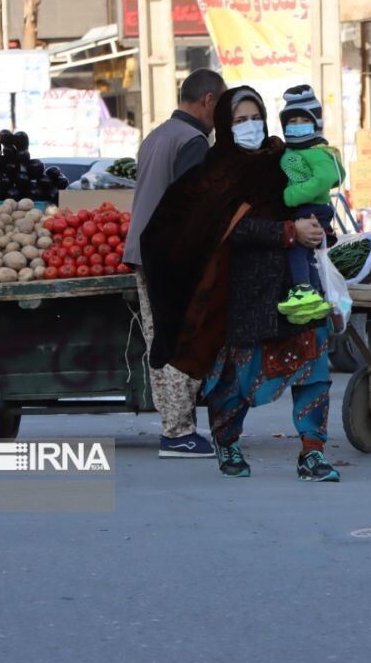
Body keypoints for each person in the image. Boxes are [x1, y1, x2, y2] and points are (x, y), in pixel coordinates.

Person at [138, 86, 341, 482]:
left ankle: (312, 452)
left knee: (314, 364)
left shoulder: (281, 160)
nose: (251, 126)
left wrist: (317, 228)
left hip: (294, 285)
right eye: (240, 120)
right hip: (243, 291)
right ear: (225, 126)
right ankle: (228, 443)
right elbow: (225, 228)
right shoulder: (216, 172)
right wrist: (288, 231)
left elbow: (308, 201)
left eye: (256, 117)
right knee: (236, 378)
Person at [124, 68, 226, 459]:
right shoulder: (193, 141)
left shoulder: (158, 135)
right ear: (208, 101)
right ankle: (178, 433)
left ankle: (176, 428)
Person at [275, 85, 345, 324]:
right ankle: (315, 293)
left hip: (311, 210)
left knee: (296, 247)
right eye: (291, 120)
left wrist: (289, 196)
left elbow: (325, 179)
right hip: (304, 210)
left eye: (303, 119)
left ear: (315, 122)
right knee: (307, 256)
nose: (296, 124)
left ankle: (303, 290)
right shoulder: (291, 150)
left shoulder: (317, 152)